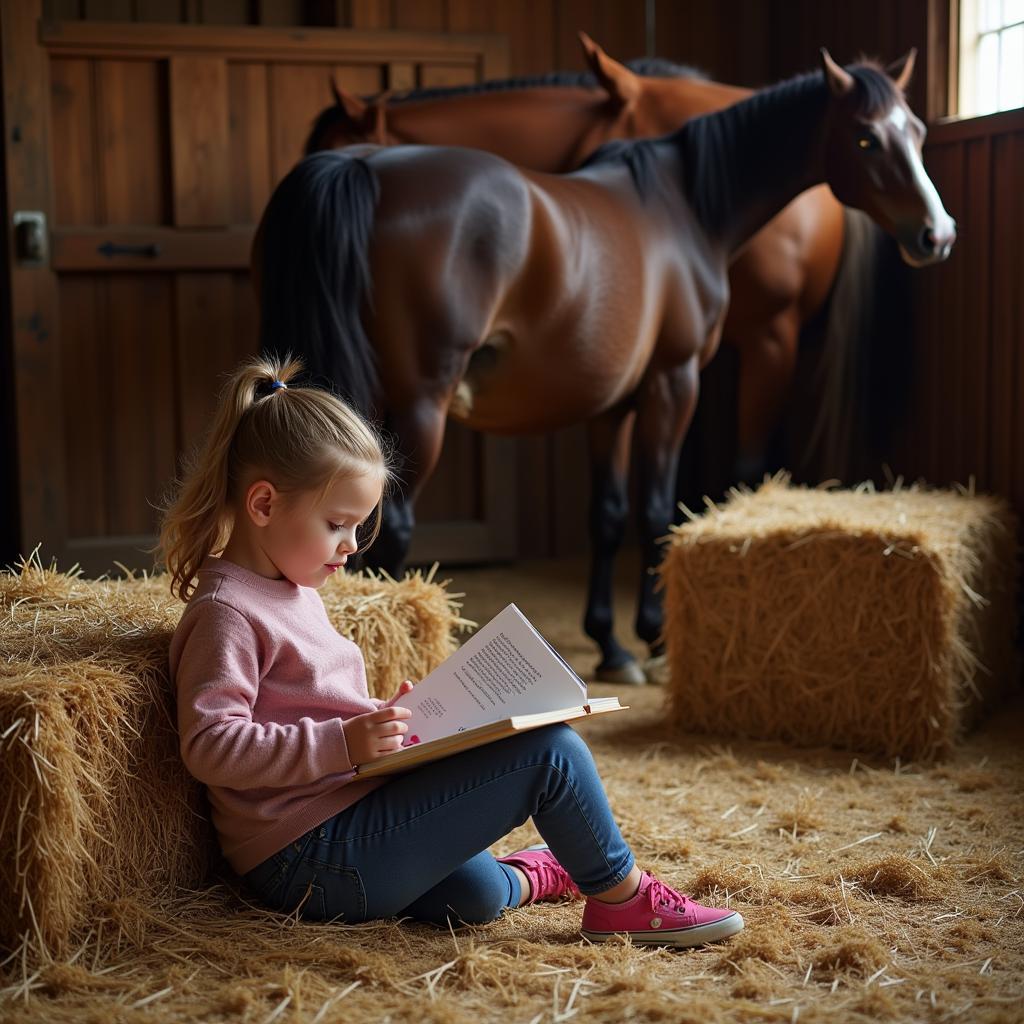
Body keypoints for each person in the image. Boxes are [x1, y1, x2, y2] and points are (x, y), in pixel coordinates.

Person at [160, 355, 744, 948]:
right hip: (307, 857)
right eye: (338, 524)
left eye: (359, 526)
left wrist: (383, 724)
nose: (352, 546)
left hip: (342, 820)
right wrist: (344, 742)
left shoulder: (290, 583)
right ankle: (622, 899)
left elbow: (297, 706)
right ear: (263, 505)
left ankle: (531, 873)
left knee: (477, 895)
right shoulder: (226, 613)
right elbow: (211, 747)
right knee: (551, 751)